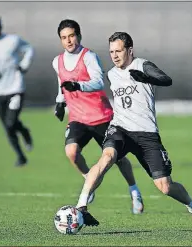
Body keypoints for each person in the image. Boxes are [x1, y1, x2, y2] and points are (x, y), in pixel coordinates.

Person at [75, 32, 192, 231]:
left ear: (130, 50)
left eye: (118, 51)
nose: (114, 55)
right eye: (111, 51)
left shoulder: (142, 65)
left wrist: (146, 77)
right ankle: (81, 207)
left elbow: (166, 80)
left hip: (147, 135)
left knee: (165, 186)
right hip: (121, 129)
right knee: (107, 157)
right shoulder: (111, 74)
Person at [52, 19, 144, 214]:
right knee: (71, 152)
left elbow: (98, 82)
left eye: (71, 36)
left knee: (118, 158)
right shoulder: (57, 61)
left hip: (102, 116)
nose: (68, 41)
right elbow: (61, 82)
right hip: (78, 118)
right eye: (64, 37)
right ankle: (89, 180)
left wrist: (78, 85)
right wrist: (60, 102)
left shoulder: (88, 57)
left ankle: (134, 189)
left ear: (79, 35)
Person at [0, 15, 34, 166]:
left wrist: (24, 65)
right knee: (7, 127)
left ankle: (24, 132)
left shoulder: (12, 40)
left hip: (15, 88)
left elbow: (29, 49)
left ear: (0, 27)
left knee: (11, 123)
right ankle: (20, 156)